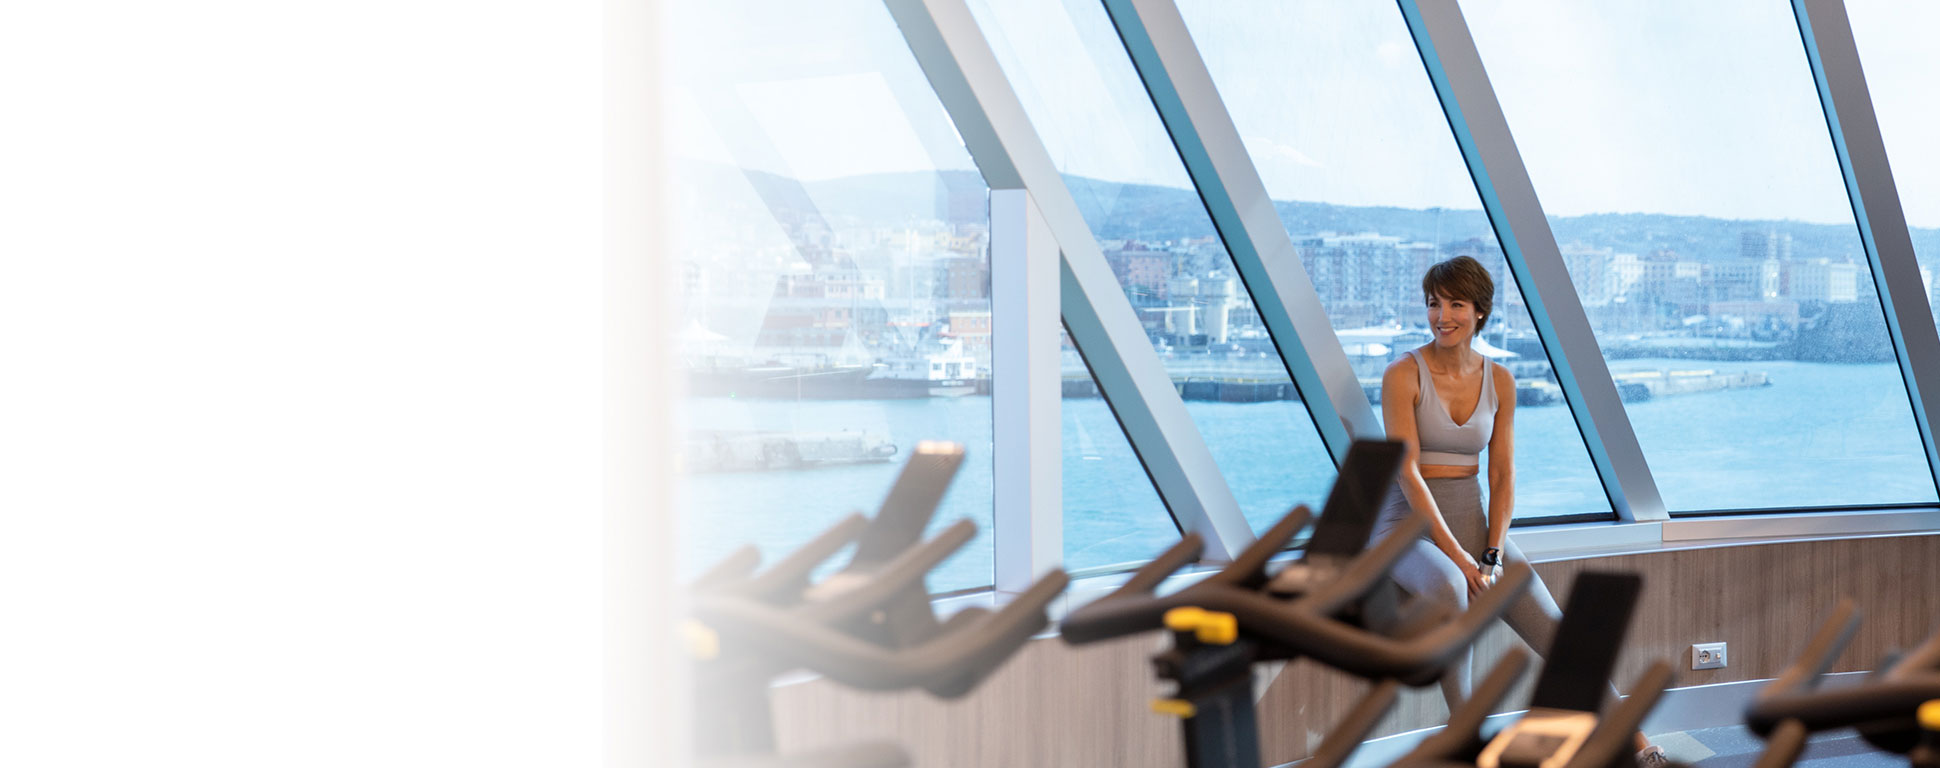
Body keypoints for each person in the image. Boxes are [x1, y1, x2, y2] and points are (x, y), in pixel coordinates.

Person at [1371, 256, 1665, 767]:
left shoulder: (1500, 380)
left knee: (1558, 630)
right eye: (1434, 304)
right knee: (1448, 585)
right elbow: (1408, 474)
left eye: (1455, 304)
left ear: (1479, 311)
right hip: (1406, 528)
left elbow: (1503, 476)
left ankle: (1640, 748)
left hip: (1474, 523)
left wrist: (1489, 552)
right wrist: (1463, 563)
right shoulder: (1403, 374)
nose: (1442, 316)